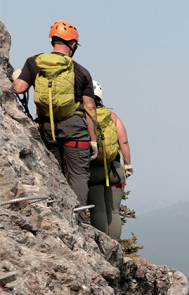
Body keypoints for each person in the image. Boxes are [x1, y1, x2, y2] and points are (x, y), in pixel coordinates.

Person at [12, 20, 98, 218]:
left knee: (55, 174)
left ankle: (56, 215)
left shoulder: (34, 62)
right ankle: (79, 220)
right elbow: (90, 108)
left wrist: (17, 75)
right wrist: (92, 141)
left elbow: (19, 88)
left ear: (53, 40)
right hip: (75, 131)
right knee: (77, 176)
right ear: (73, 44)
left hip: (47, 129)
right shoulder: (81, 71)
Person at [87, 80, 132, 238]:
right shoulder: (112, 117)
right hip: (114, 168)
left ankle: (102, 248)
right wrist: (127, 164)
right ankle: (114, 248)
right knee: (113, 211)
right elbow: (123, 141)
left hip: (92, 168)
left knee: (97, 208)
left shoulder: (83, 114)